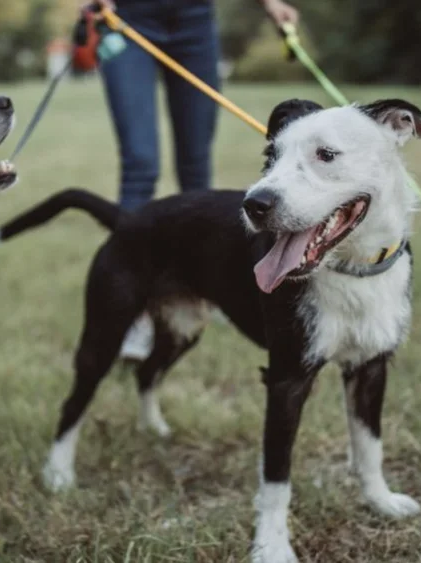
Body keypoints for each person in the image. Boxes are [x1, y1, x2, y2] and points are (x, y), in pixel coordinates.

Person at [90, 0, 300, 360]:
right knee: (140, 164)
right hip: (126, 16)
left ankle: (203, 288)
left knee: (196, 167)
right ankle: (136, 309)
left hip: (195, 20)